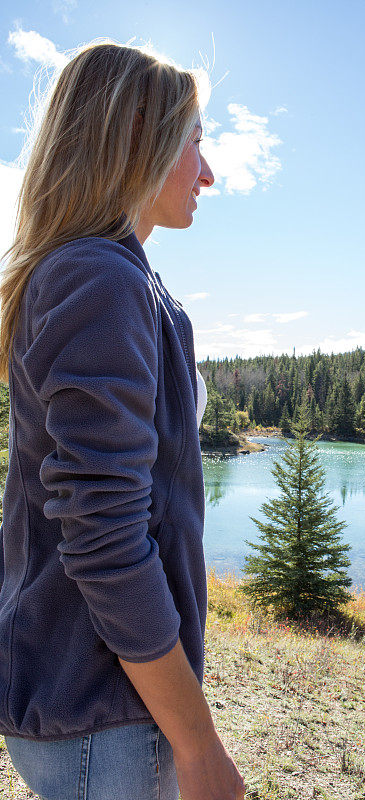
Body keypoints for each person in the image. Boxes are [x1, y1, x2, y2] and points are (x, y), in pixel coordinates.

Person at [0, 40, 247, 800]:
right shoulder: (97, 278)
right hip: (103, 719)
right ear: (137, 135)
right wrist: (198, 742)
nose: (208, 172)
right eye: (195, 142)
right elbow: (105, 540)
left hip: (97, 708)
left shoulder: (118, 277)